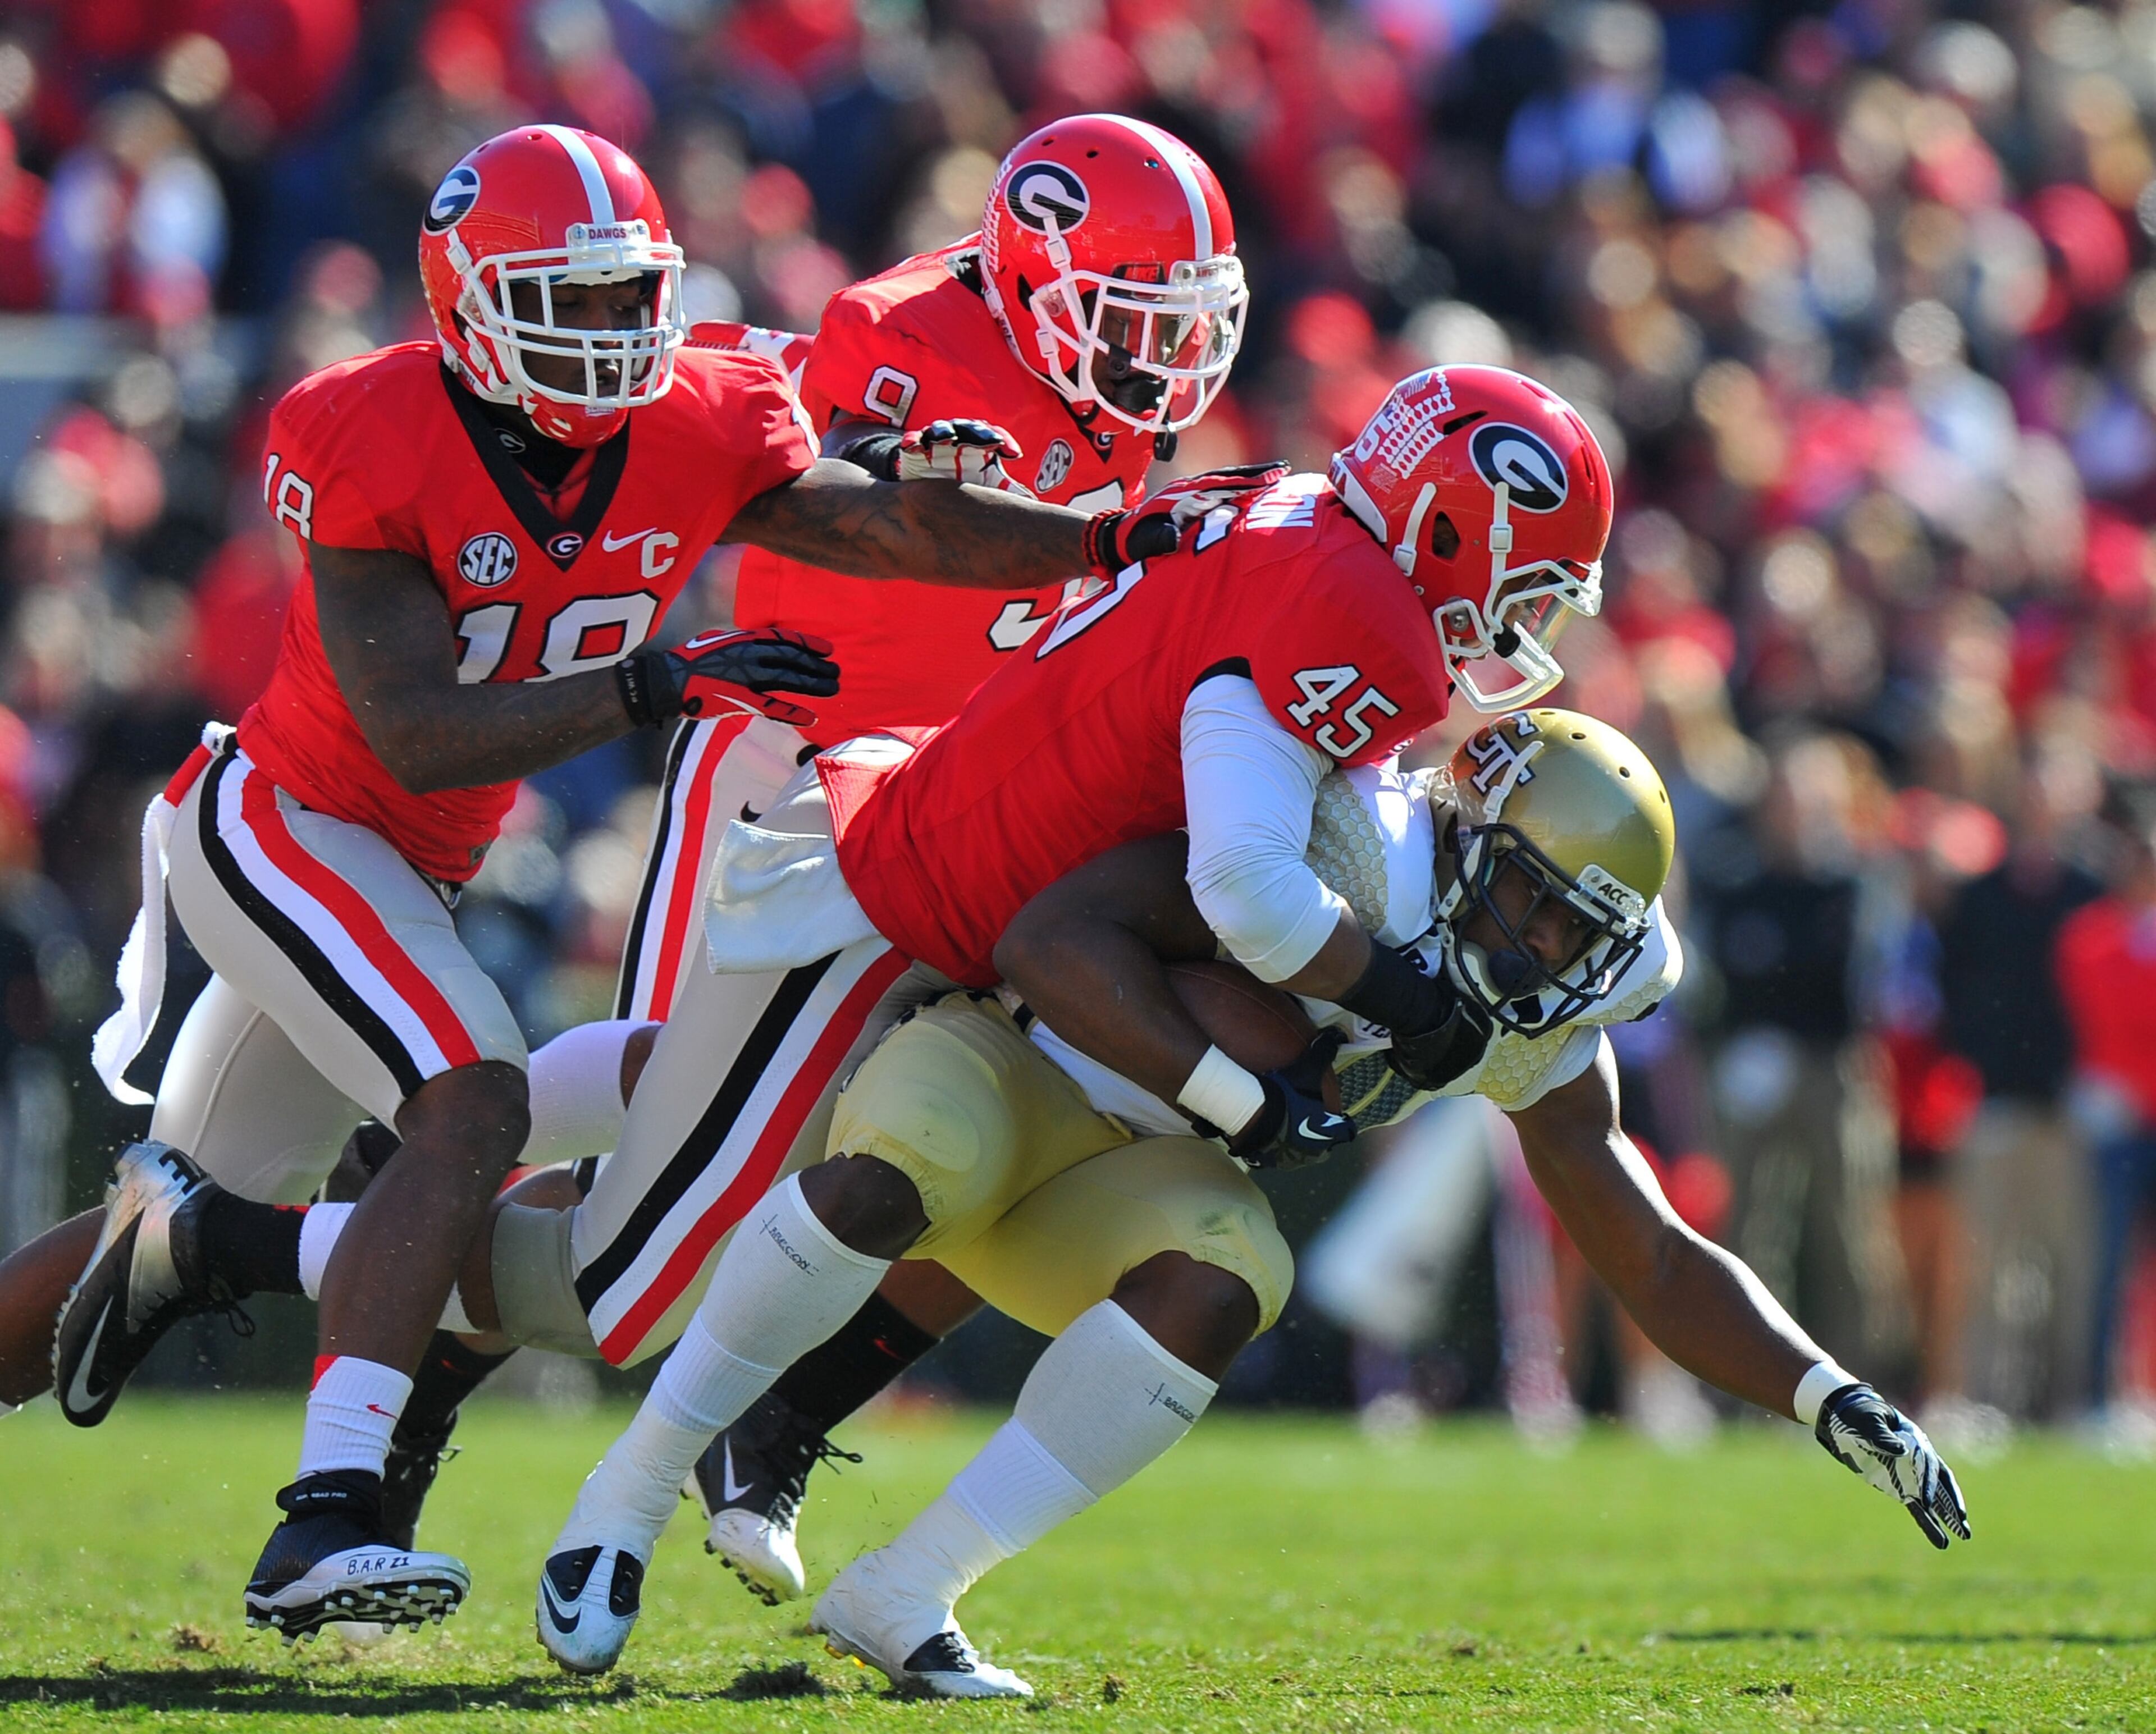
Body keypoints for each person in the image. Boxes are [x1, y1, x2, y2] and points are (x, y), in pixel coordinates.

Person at [36, 120, 1179, 1644]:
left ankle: (201, 1253)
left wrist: (1122, 535)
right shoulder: (369, 426)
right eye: (562, 303)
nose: (606, 336)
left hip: (404, 867)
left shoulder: (697, 416)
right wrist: (656, 685)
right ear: (465, 301)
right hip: (286, 824)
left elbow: (896, 523)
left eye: (627, 297)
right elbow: (419, 734)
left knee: (212, 1211)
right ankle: (324, 1513)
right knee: (475, 1102)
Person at [768, 711, 1965, 1696]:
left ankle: (900, 1572)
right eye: (1532, 897)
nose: (1542, 946)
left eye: (1576, 929)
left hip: (1131, 1162)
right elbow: (1092, 920)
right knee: (684, 1229)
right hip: (997, 1017)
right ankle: (704, 1456)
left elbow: (1648, 1254)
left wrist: (1826, 1390)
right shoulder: (1351, 851)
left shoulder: (1533, 1020)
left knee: (1222, 1273)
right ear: (1469, 833)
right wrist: (1238, 1081)